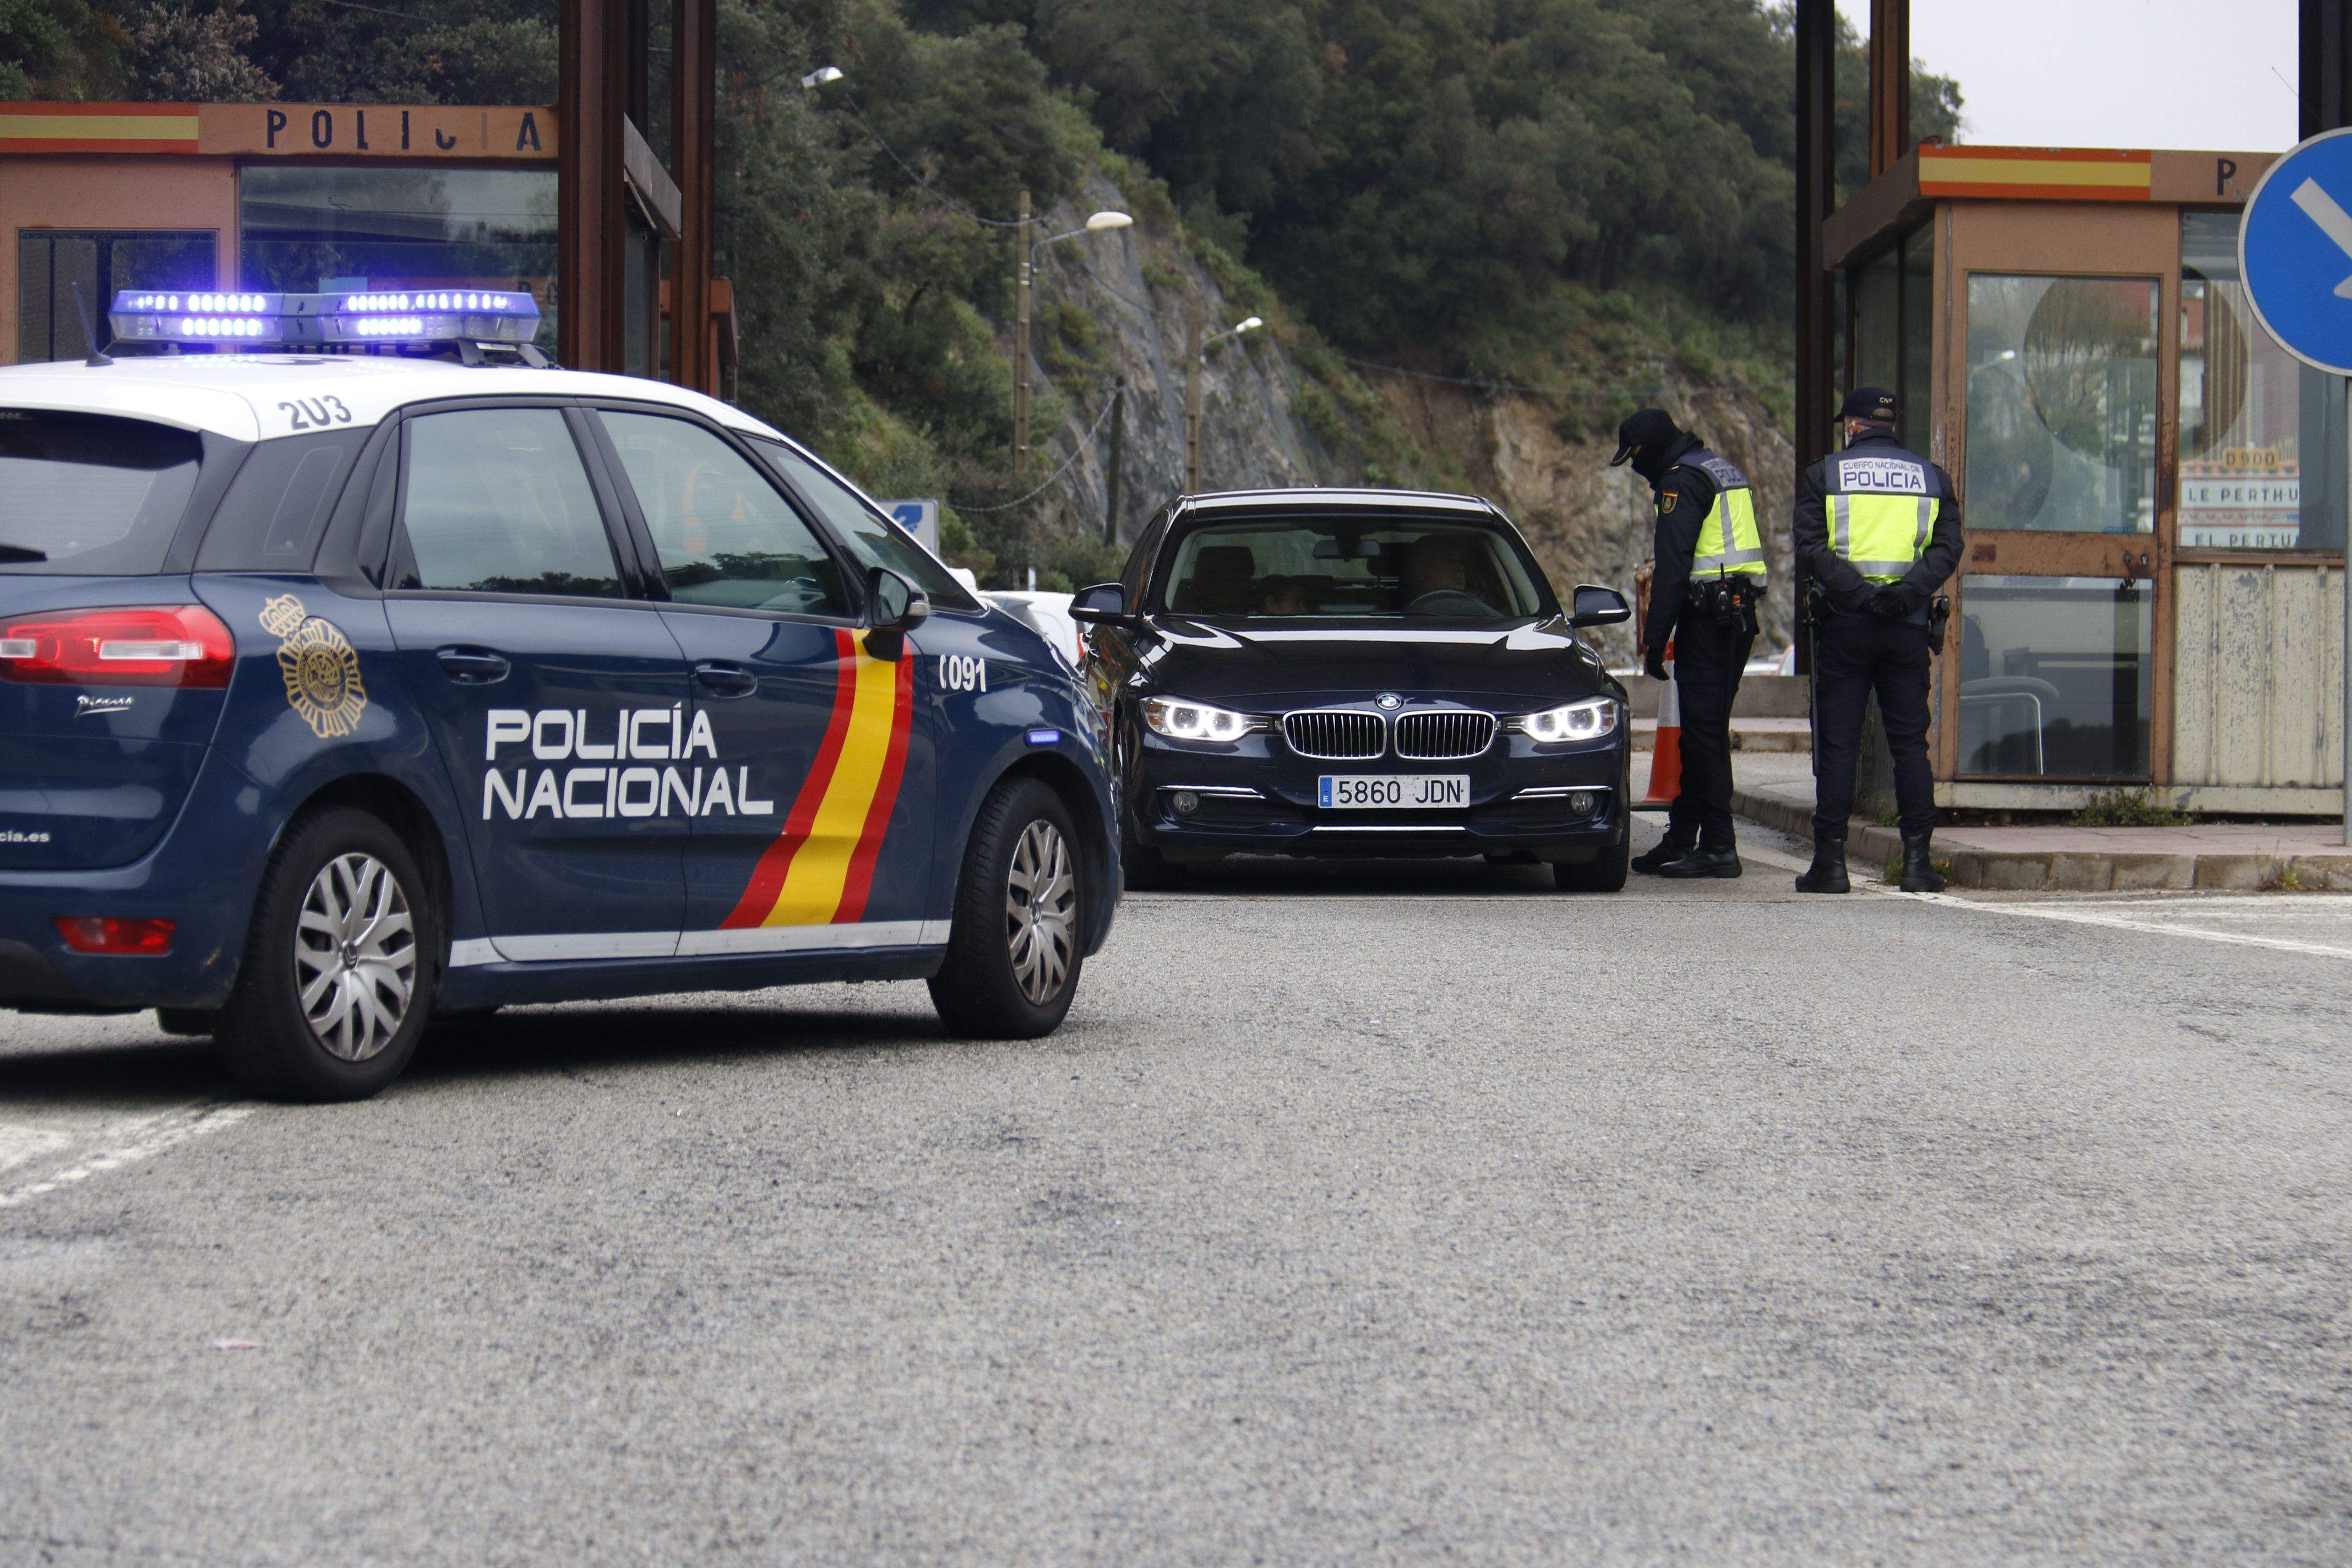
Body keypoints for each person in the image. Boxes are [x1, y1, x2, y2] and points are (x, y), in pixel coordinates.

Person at [1790, 385, 1963, 894]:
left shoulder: (1824, 474)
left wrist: (1861, 596)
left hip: (1845, 624)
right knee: (1910, 745)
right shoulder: (1932, 478)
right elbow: (1948, 548)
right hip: (1907, 628)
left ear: (1853, 426)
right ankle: (1916, 863)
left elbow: (1811, 547)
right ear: (1890, 425)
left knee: (1840, 744)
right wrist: (1903, 595)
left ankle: (1831, 865)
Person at [1610, 407, 1766, 878]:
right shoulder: (1718, 467)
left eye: (1636, 456)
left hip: (1711, 619)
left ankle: (1719, 845)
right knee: (1704, 732)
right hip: (1733, 615)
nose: (1637, 468)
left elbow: (1674, 568)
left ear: (1652, 447)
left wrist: (1654, 642)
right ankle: (1683, 837)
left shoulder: (1680, 482)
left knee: (1704, 738)